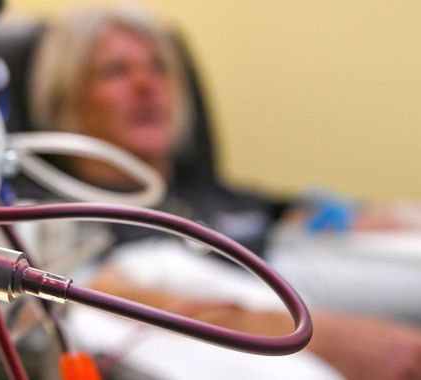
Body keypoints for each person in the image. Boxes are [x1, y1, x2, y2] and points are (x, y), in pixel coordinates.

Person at [22, 6, 421, 380]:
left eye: (159, 67)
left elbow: (286, 211)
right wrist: (297, 330)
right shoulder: (63, 211)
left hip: (287, 264)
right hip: (264, 311)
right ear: (64, 99)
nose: (147, 84)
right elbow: (92, 289)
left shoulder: (202, 190)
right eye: (115, 71)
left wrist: (357, 216)